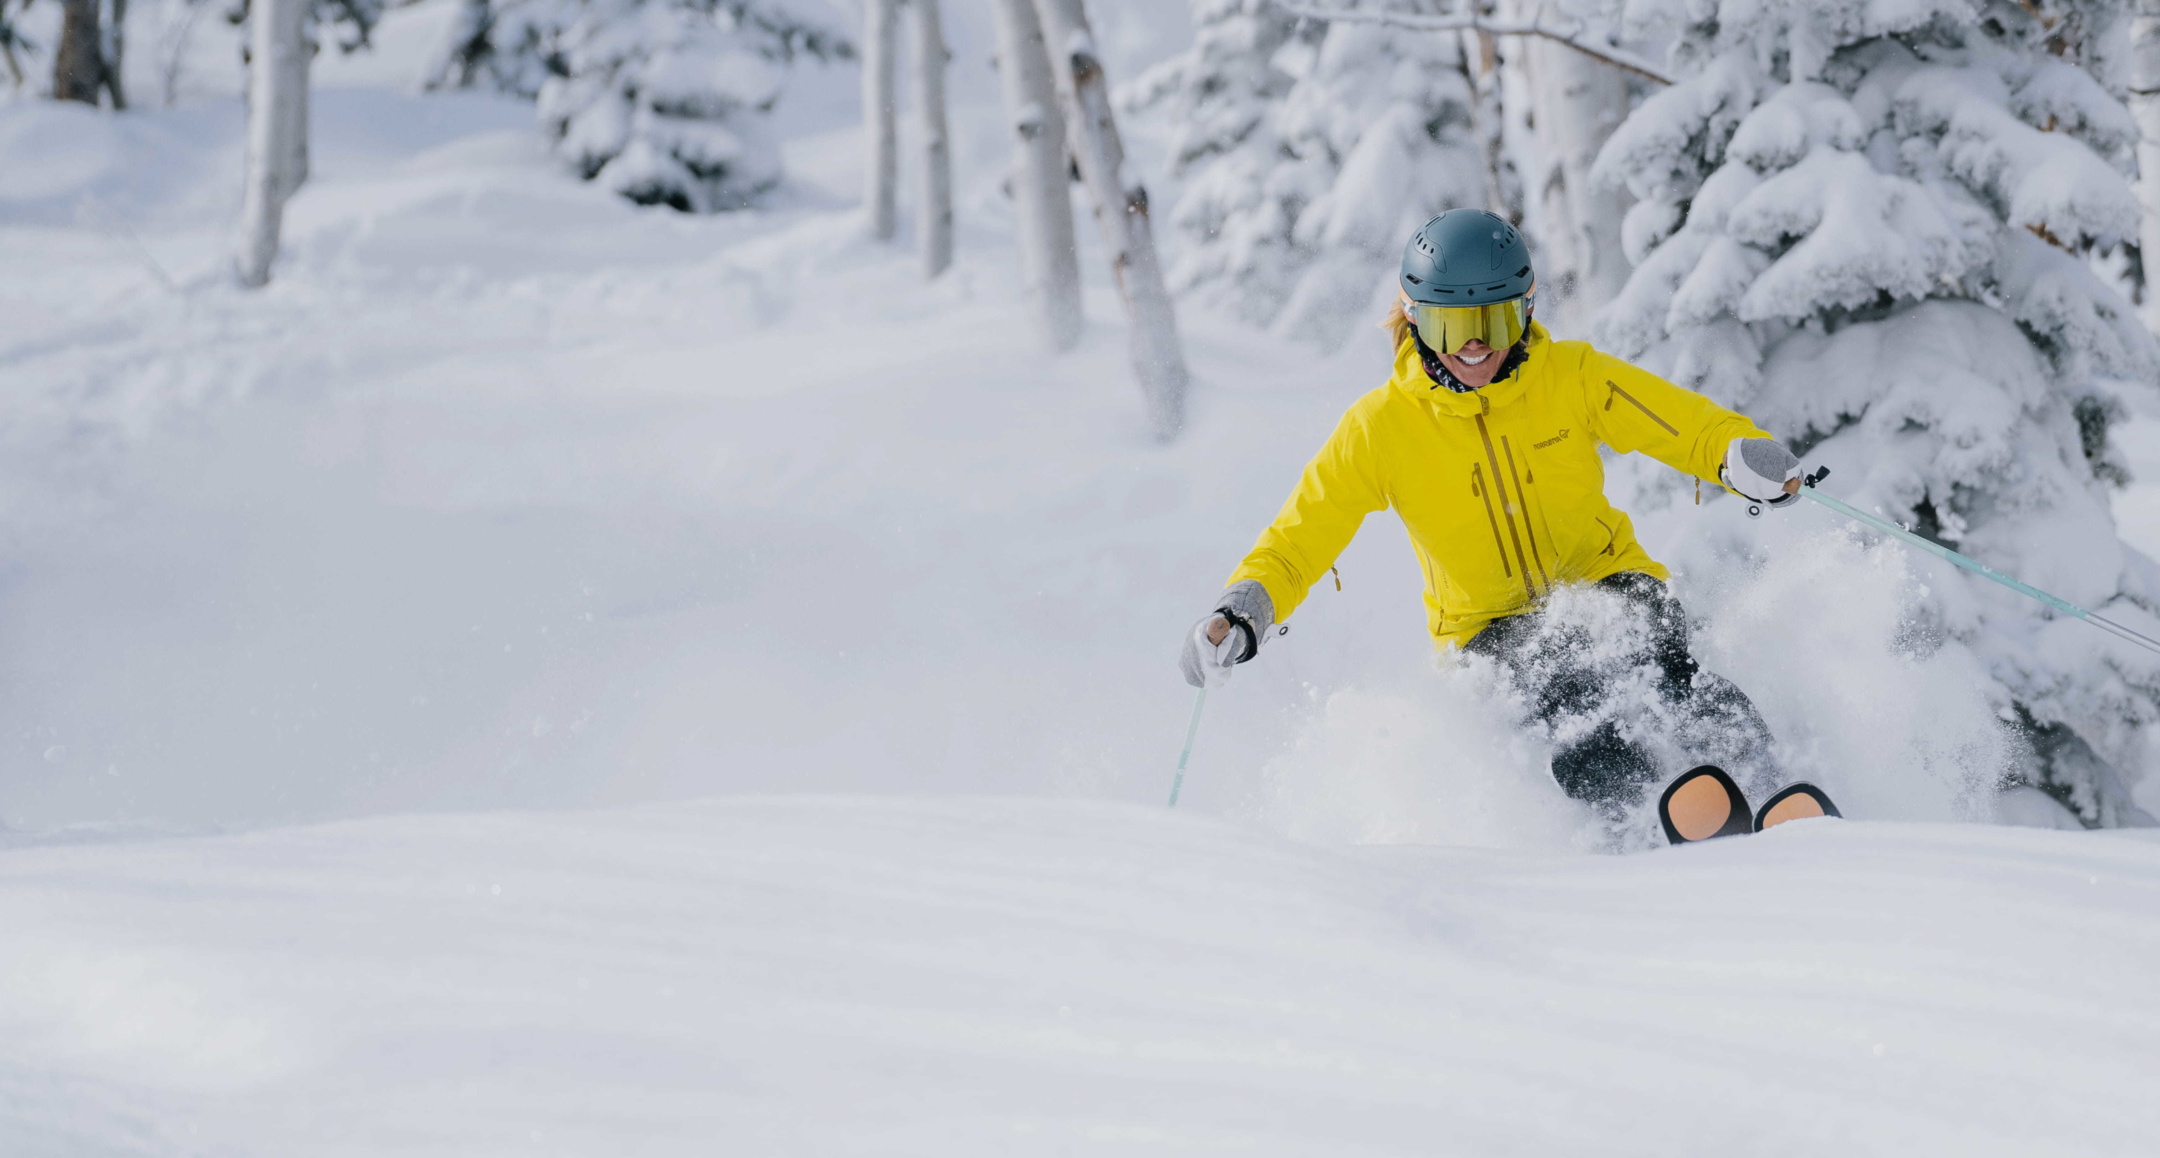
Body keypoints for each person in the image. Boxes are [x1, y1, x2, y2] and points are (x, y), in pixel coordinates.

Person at [1178, 209, 1834, 844]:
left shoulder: (1571, 376)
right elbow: (1301, 535)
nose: (1475, 344)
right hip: (1487, 630)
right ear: (1413, 319)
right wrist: (1244, 610)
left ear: (1525, 309)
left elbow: (1677, 422)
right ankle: (1641, 822)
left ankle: (1771, 792)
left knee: (1670, 668)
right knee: (1567, 697)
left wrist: (1736, 453)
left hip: (1607, 579)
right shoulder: (1379, 428)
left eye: (1493, 320)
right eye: (1451, 324)